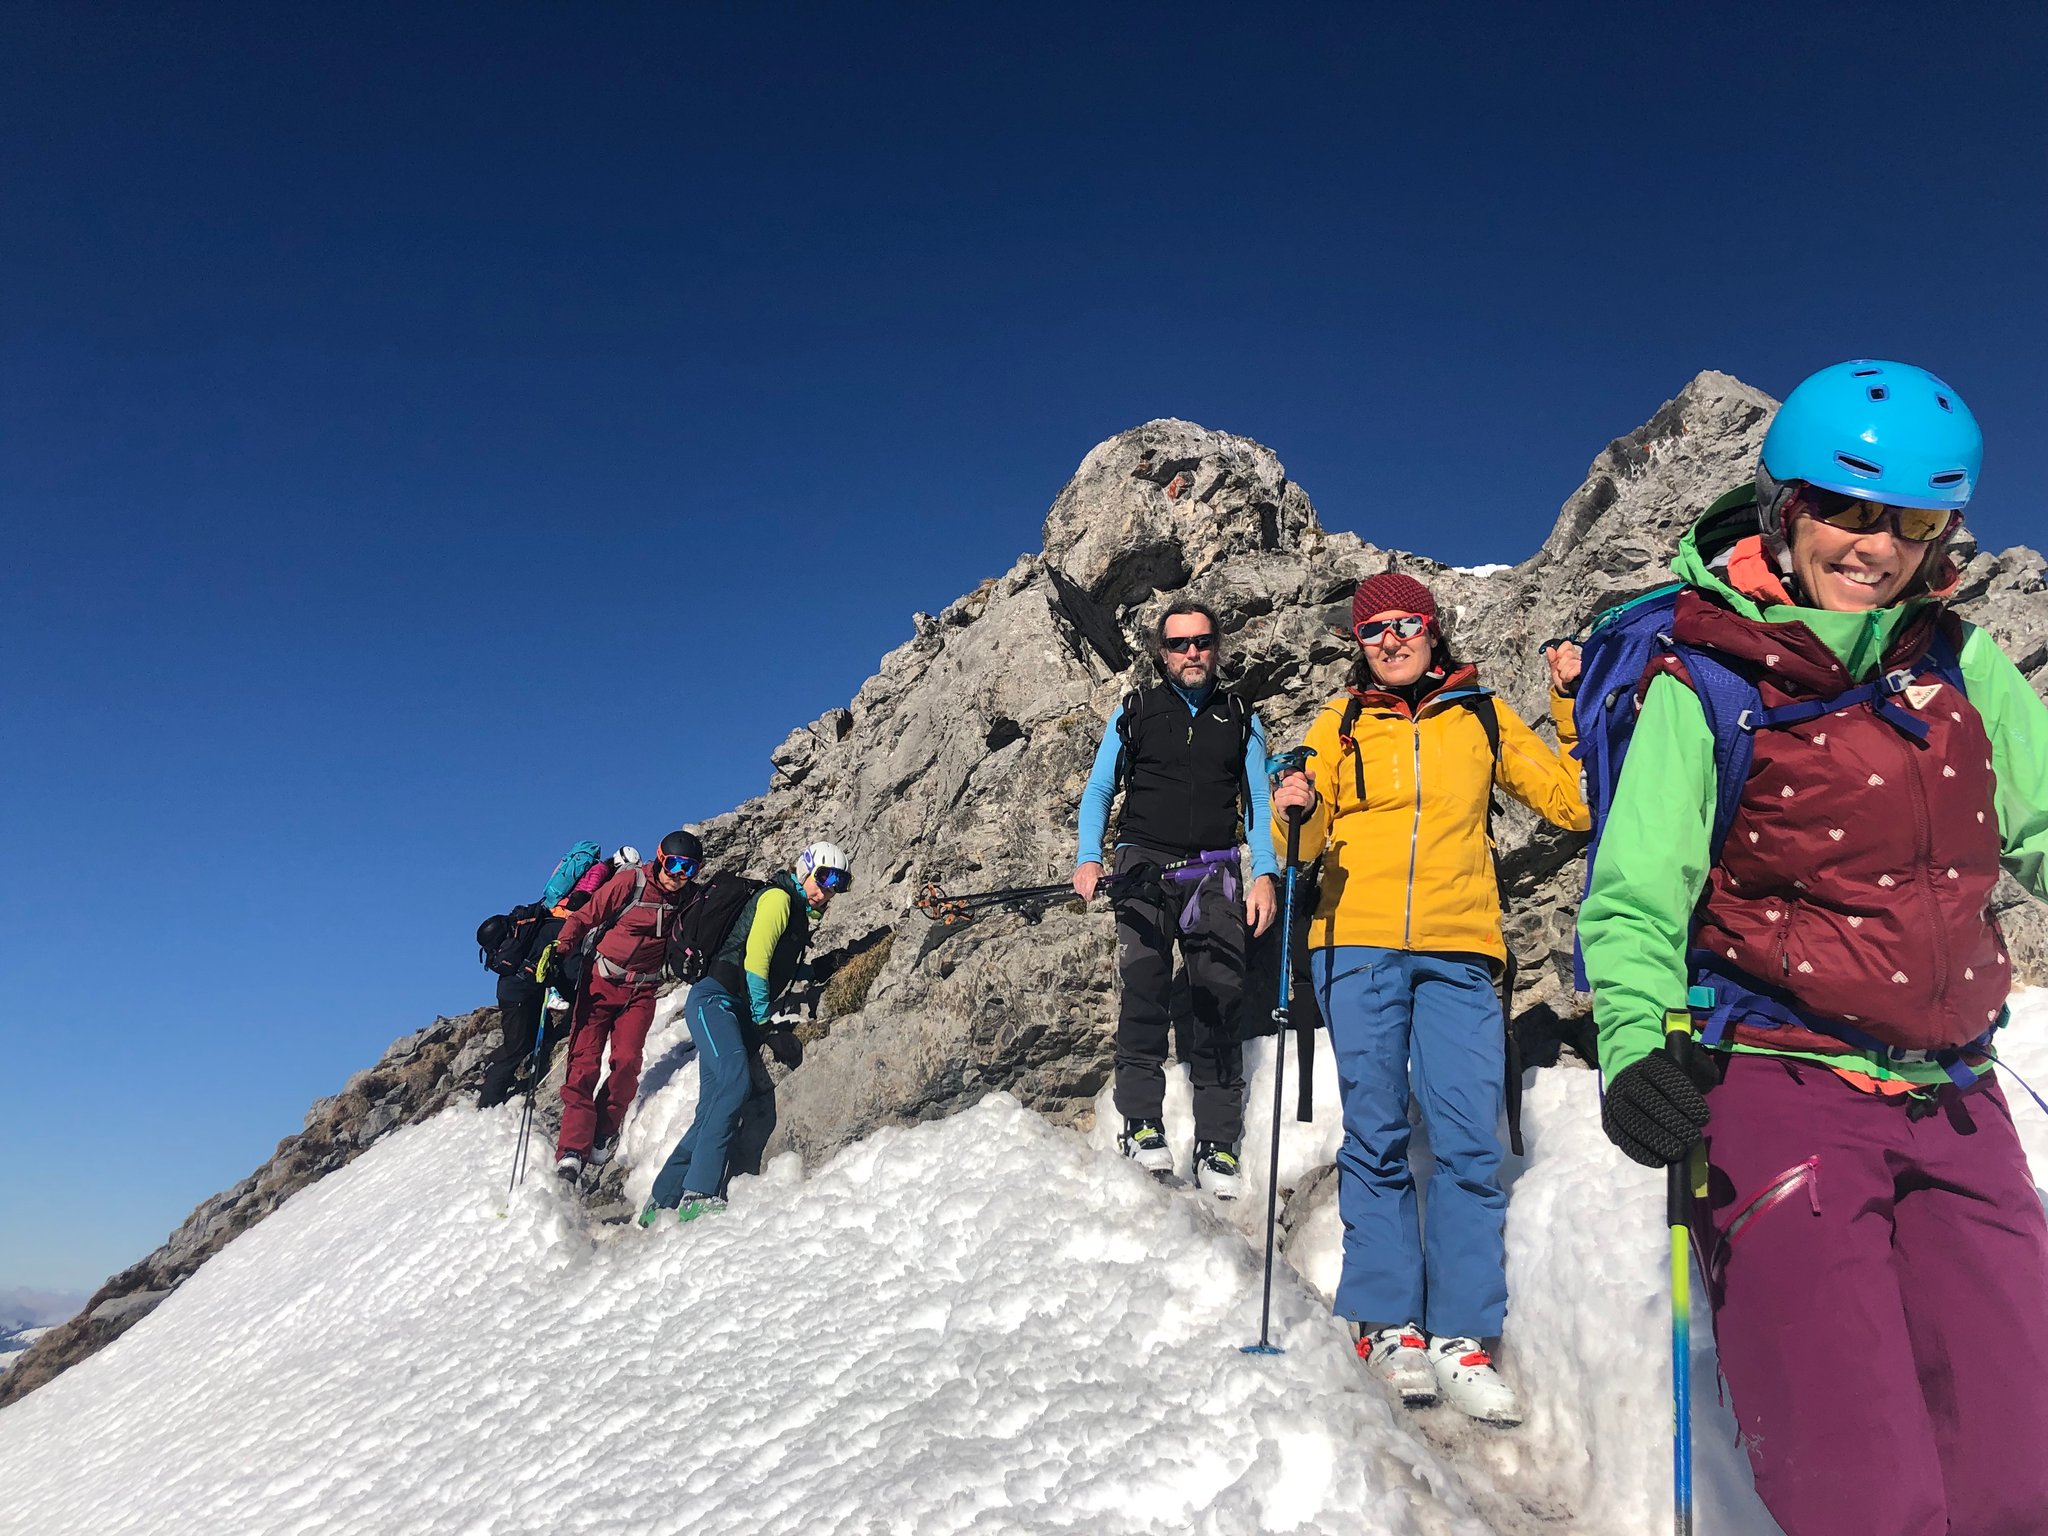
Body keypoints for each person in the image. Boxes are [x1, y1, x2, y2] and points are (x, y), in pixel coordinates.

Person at [1578, 360, 2048, 1536]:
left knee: (2021, 1473)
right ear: (1783, 506)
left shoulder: (1960, 665)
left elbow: (2040, 823)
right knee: (1863, 1491)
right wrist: (1634, 1047)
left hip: (1953, 1093)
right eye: (1843, 509)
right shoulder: (1706, 677)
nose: (1873, 546)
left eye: (1910, 523)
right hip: (1775, 1083)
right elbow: (1635, 896)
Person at [1271, 570, 1585, 1425]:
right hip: (1355, 943)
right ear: (1359, 644)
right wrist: (1295, 803)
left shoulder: (1481, 714)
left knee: (1467, 1140)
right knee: (1376, 1133)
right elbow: (1299, 839)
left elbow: (1573, 802)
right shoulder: (1339, 720)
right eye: (1374, 630)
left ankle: (1462, 1334)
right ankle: (1387, 1322)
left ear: (1433, 629)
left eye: (1407, 624)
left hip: (1459, 947)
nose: (1392, 640)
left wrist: (1568, 706)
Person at [1074, 599, 1279, 1197]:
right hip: (1141, 862)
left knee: (1219, 995)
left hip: (1214, 869)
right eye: (1179, 643)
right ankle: (1140, 1123)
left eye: (1202, 641)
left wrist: (1264, 873)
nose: (1192, 652)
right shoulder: (1135, 711)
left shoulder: (1240, 717)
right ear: (1161, 653)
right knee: (1144, 987)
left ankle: (1218, 1141)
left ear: (1217, 647)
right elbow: (1100, 788)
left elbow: (1258, 802)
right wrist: (1089, 856)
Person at [640, 842, 846, 1225]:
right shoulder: (778, 900)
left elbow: (780, 969)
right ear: (804, 870)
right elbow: (756, 961)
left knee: (712, 1108)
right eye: (823, 878)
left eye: (838, 884)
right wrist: (763, 1022)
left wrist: (821, 969)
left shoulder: (796, 914)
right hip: (714, 1001)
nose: (827, 890)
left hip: (731, 1012)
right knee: (735, 1084)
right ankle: (699, 1193)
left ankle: (660, 1202)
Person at [551, 830, 703, 1182]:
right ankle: (572, 1149)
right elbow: (585, 916)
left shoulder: (690, 898)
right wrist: (560, 948)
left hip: (642, 991)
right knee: (583, 1065)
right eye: (674, 864)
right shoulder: (630, 882)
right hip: (600, 982)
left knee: (628, 1063)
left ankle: (603, 1131)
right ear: (660, 859)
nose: (679, 875)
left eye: (689, 868)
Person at [475, 903, 568, 1110]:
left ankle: (509, 1080)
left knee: (528, 1041)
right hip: (521, 995)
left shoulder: (527, 932)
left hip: (517, 994)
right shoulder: (542, 927)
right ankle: (489, 1101)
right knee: (516, 1048)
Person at [539, 840, 604, 910]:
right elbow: (590, 889)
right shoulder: (599, 867)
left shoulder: (572, 856)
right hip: (569, 904)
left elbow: (557, 872)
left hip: (553, 897)